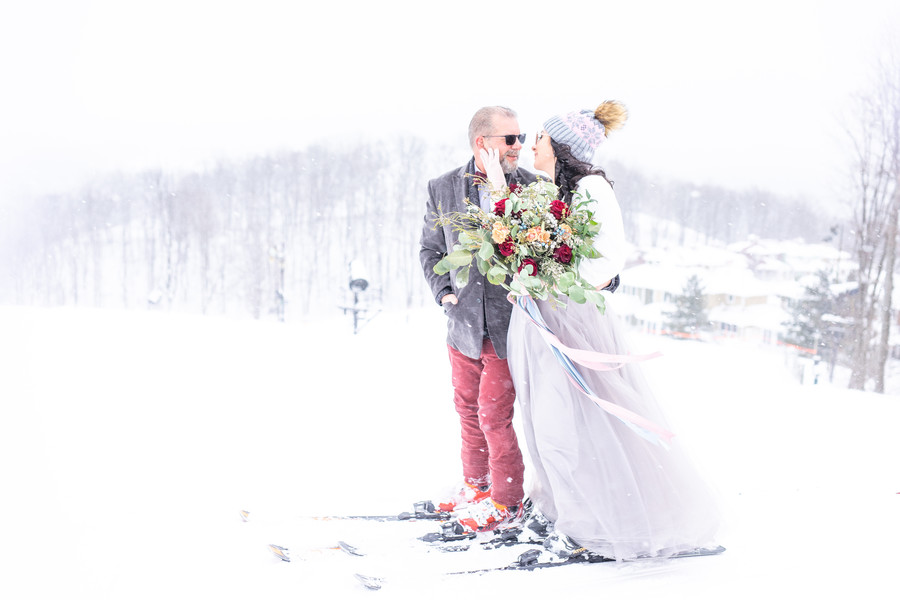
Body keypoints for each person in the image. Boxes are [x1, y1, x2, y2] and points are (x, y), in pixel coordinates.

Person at [486, 101, 720, 560]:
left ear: (561, 146)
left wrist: (545, 280)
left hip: (573, 322)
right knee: (546, 418)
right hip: (541, 318)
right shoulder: (549, 188)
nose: (533, 144)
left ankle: (604, 520)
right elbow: (533, 244)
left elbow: (604, 260)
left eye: (540, 138)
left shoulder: (591, 187)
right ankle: (563, 510)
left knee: (581, 420)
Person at [419, 106, 536, 532]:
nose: (518, 145)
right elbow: (430, 250)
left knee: (493, 415)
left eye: (520, 137)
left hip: (510, 330)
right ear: (482, 143)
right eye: (510, 139)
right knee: (467, 410)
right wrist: (443, 292)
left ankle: (506, 501)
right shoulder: (443, 187)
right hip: (463, 328)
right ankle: (476, 485)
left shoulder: (532, 189)